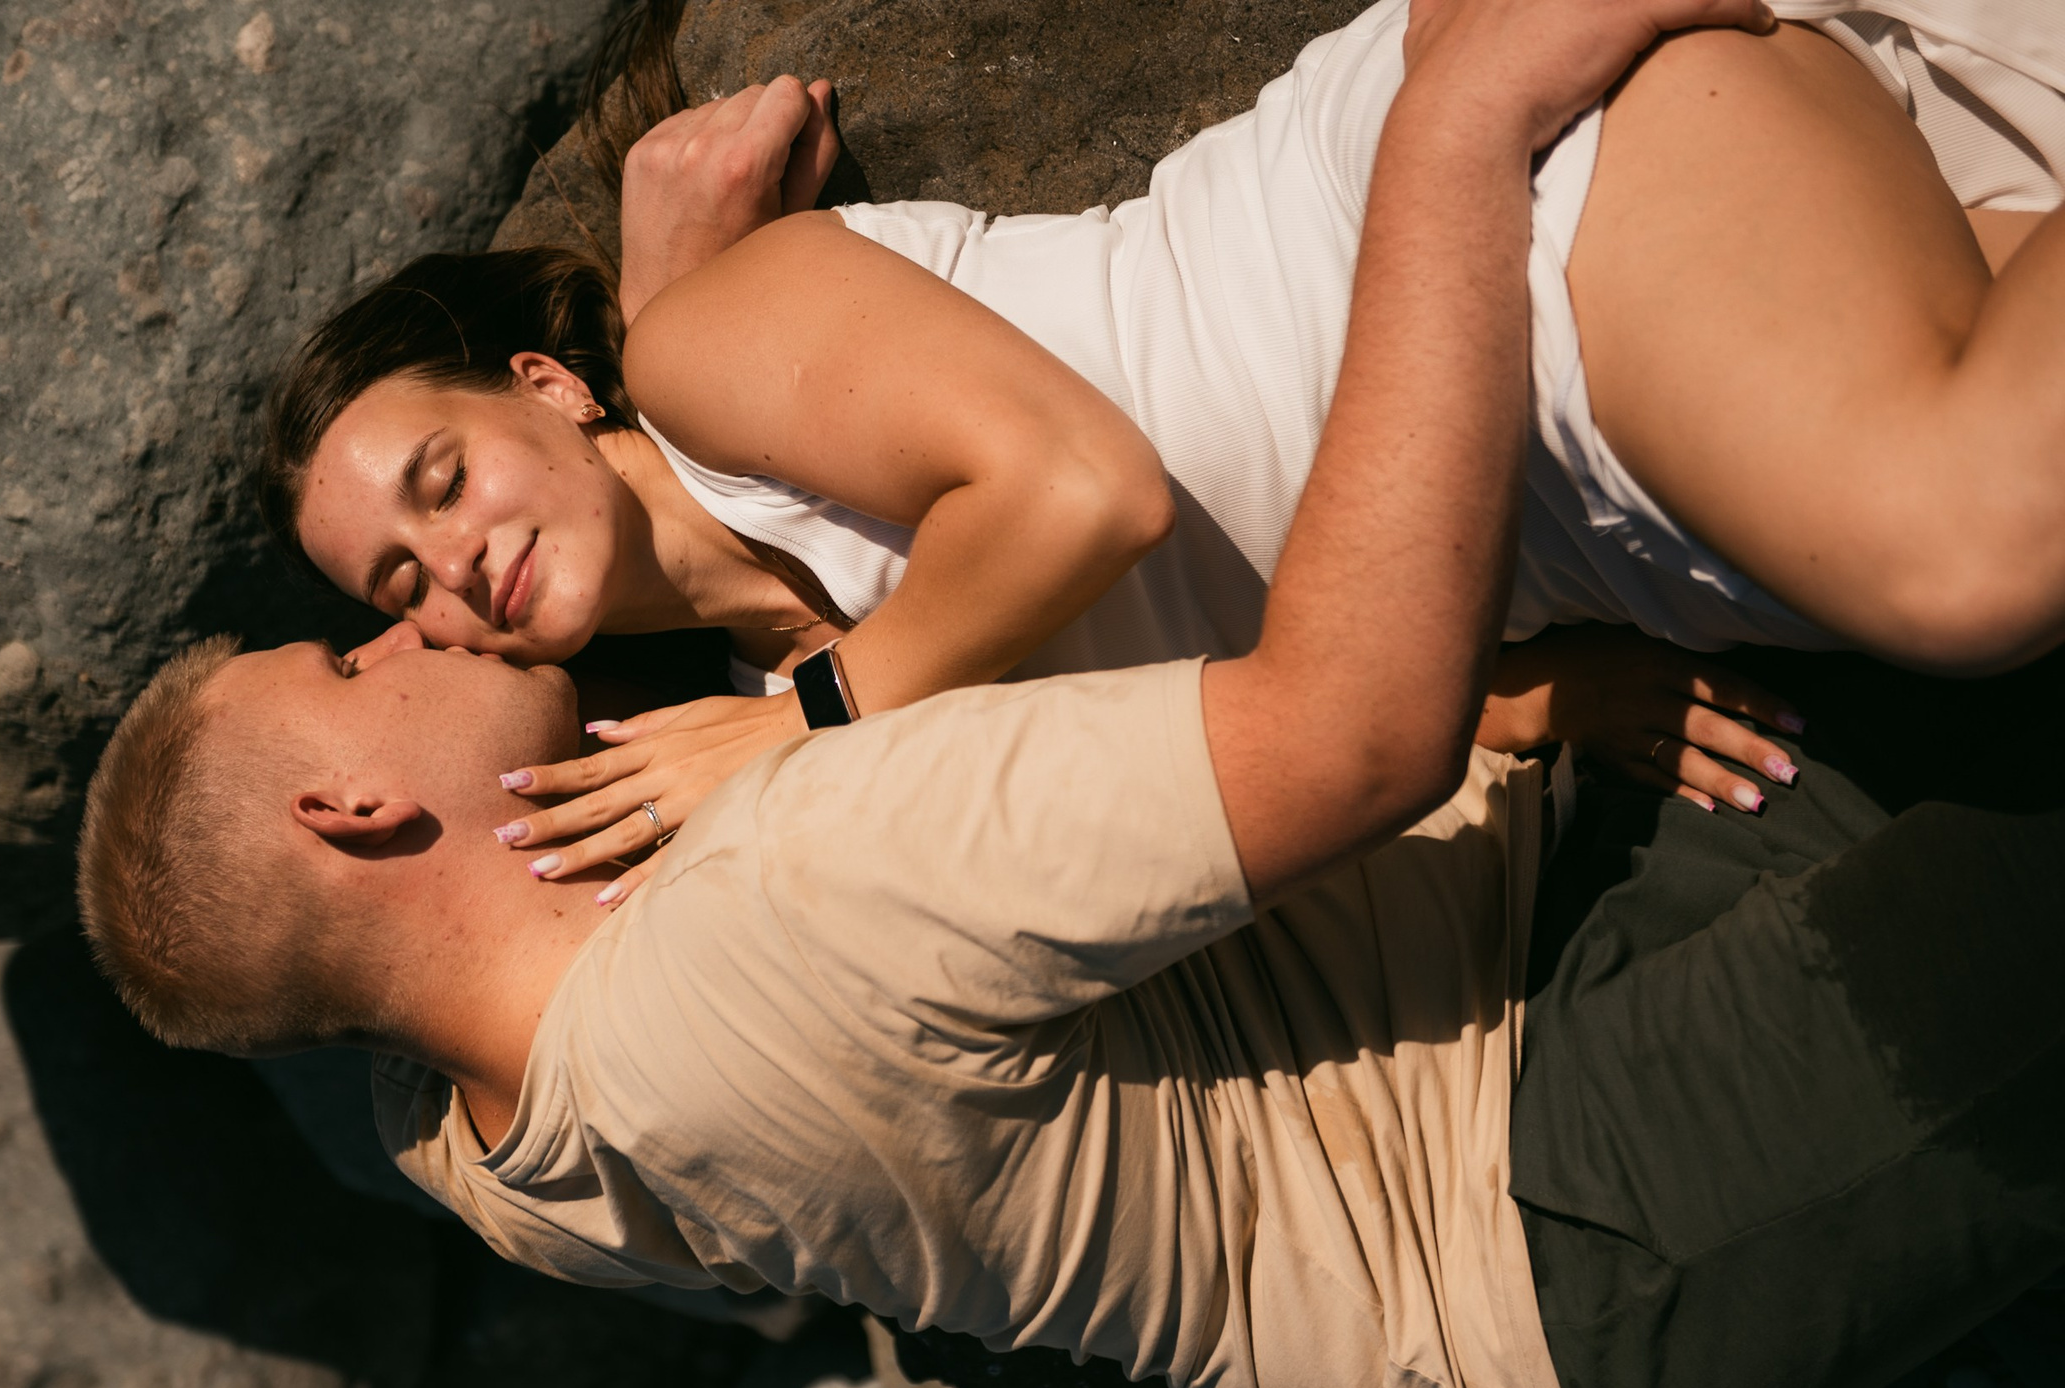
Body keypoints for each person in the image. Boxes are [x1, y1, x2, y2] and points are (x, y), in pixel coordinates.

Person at [80, 0, 2064, 1388]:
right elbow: (1325, 728)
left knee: (1968, 526)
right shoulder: (784, 880)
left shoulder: (511, 1156)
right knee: (1980, 550)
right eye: (359, 638)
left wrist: (689, 352)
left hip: (1517, 896)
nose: (418, 614)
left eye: (421, 525)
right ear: (354, 806)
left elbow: (1069, 604)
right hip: (1550, 1203)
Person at [256, 0, 2064, 895]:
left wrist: (811, 726)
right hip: (1568, 503)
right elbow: (1233, 718)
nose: (455, 558)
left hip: (1503, 233)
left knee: (1969, 561)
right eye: (404, 586)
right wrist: (1537, 699)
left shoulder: (704, 357)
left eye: (443, 478)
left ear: (549, 389)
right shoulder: (782, 705)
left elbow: (1084, 492)